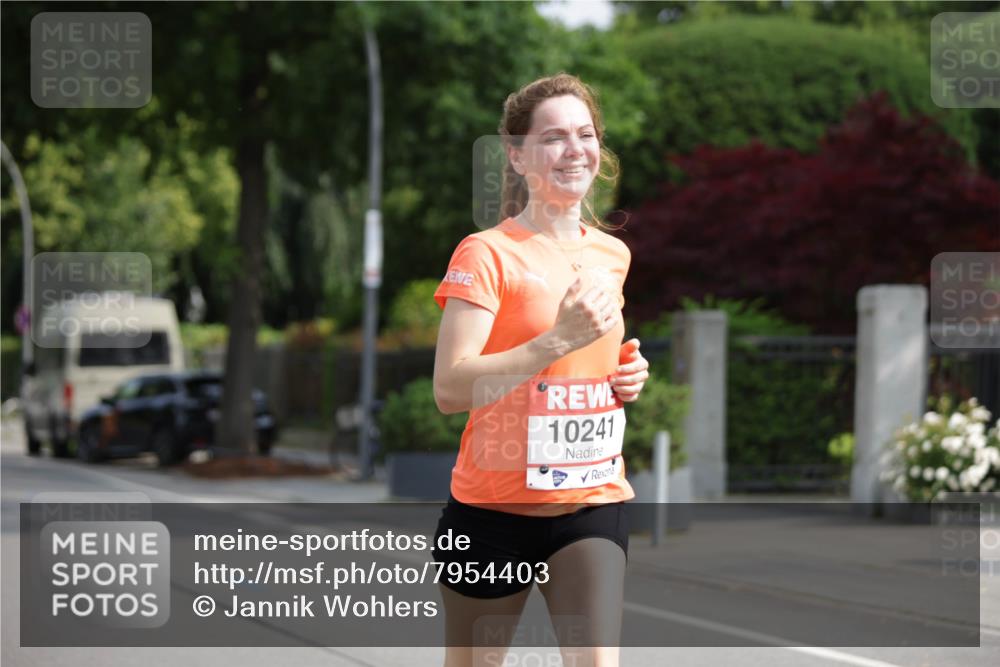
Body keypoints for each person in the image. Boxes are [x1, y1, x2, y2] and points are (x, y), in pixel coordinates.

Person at [430, 73, 650, 667]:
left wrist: (626, 376)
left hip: (591, 504)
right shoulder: (486, 253)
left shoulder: (613, 255)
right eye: (553, 137)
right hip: (491, 514)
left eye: (585, 134)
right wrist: (556, 341)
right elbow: (450, 388)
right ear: (518, 153)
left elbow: (596, 360)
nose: (574, 149)